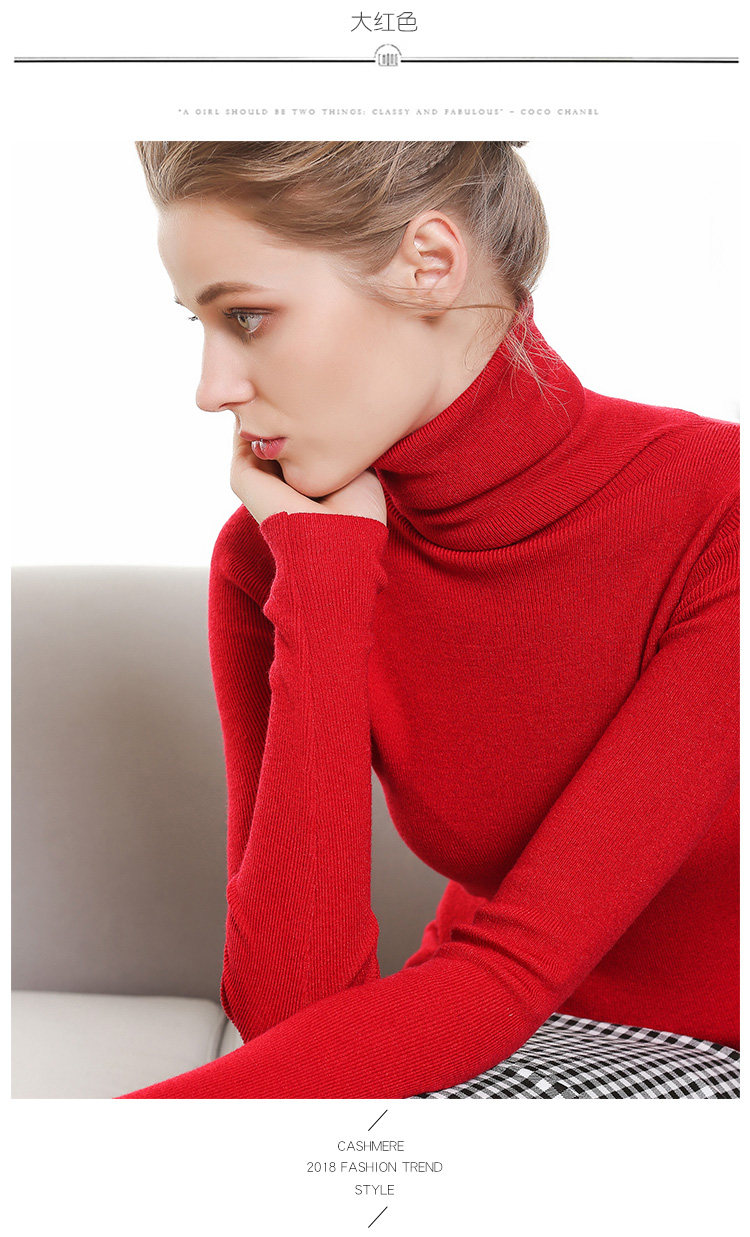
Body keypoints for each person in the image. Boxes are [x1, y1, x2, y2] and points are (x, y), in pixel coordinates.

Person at [117, 140, 738, 1099]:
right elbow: (289, 1007)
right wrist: (324, 583)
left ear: (431, 264)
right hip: (468, 1024)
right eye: (198, 324)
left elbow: (519, 966)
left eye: (246, 316)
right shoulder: (276, 552)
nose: (213, 389)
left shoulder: (719, 508)